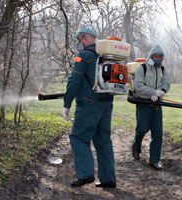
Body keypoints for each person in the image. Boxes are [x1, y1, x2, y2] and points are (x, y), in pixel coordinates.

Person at [63, 26, 116, 188]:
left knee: (78, 138)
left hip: (88, 104)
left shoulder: (84, 56)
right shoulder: (107, 57)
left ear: (85, 38)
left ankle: (86, 175)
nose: (78, 43)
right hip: (106, 104)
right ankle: (108, 180)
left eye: (79, 39)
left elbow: (74, 81)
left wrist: (67, 104)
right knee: (103, 141)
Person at [131, 44, 170, 170]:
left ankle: (154, 160)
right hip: (143, 103)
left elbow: (166, 83)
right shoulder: (142, 68)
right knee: (142, 129)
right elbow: (138, 86)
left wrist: (162, 91)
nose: (158, 58)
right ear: (151, 56)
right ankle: (136, 147)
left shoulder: (162, 69)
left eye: (160, 57)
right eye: (156, 56)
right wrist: (152, 92)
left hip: (157, 105)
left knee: (157, 132)